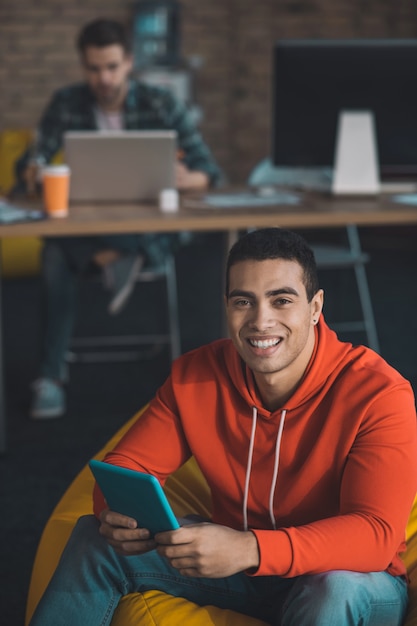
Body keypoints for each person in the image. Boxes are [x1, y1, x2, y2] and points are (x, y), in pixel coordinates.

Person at [28, 227, 417, 625]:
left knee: (334, 590)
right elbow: (127, 466)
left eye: (281, 300)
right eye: (243, 301)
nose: (261, 320)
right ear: (226, 306)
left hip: (349, 580)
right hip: (240, 570)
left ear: (315, 307)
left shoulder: (379, 393)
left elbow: (374, 535)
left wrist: (251, 548)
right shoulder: (198, 375)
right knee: (93, 538)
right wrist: (117, 516)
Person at [15, 18, 222, 420]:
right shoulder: (66, 103)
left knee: (64, 252)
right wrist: (34, 170)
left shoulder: (160, 103)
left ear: (129, 62)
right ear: (83, 66)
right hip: (91, 227)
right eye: (93, 69)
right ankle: (50, 377)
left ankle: (117, 254)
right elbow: (29, 163)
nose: (103, 78)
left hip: (149, 222)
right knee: (52, 248)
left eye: (111, 67)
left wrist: (187, 178)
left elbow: (209, 172)